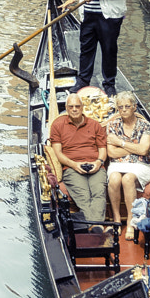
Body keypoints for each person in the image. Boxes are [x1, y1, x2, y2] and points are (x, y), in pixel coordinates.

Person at [46, 92, 110, 222]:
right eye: (71, 107)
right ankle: (97, 225)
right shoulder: (58, 125)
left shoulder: (94, 125)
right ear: (66, 108)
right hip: (72, 168)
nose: (74, 109)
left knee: (98, 192)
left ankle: (92, 225)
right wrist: (74, 165)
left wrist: (98, 163)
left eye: (77, 106)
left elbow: (102, 149)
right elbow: (58, 153)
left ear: (82, 107)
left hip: (95, 166)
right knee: (84, 195)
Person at [103, 92, 150, 239]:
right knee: (113, 178)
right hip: (118, 164)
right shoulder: (112, 125)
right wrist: (134, 147)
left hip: (140, 165)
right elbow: (111, 153)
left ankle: (131, 223)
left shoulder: (145, 125)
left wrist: (121, 143)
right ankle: (117, 220)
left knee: (128, 179)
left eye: (127, 106)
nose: (123, 110)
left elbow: (144, 150)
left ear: (134, 107)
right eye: (120, 107)